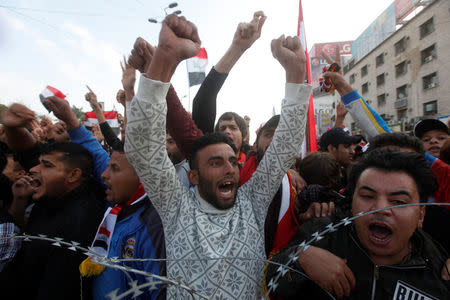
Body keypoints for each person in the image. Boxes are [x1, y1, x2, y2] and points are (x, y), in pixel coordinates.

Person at [124, 13, 311, 299]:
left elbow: (284, 147)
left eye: (232, 162)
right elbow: (143, 148)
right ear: (193, 176)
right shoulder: (176, 208)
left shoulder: (253, 202)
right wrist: (164, 59)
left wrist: (296, 74)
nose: (229, 169)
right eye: (215, 162)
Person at [266, 150, 450, 299]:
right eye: (368, 196)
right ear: (352, 201)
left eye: (398, 202)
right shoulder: (321, 234)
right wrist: (299, 259)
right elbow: (271, 278)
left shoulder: (439, 270)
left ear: (421, 214)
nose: (380, 208)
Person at [0, 142, 105, 300]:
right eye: (38, 163)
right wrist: (20, 201)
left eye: (47, 165)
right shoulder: (50, 198)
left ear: (73, 175)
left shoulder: (78, 223)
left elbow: (56, 289)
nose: (33, 169)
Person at [89, 144, 166, 300]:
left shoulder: (153, 225)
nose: (104, 174)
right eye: (107, 167)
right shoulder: (115, 211)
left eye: (115, 169)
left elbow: (160, 291)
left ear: (142, 176)